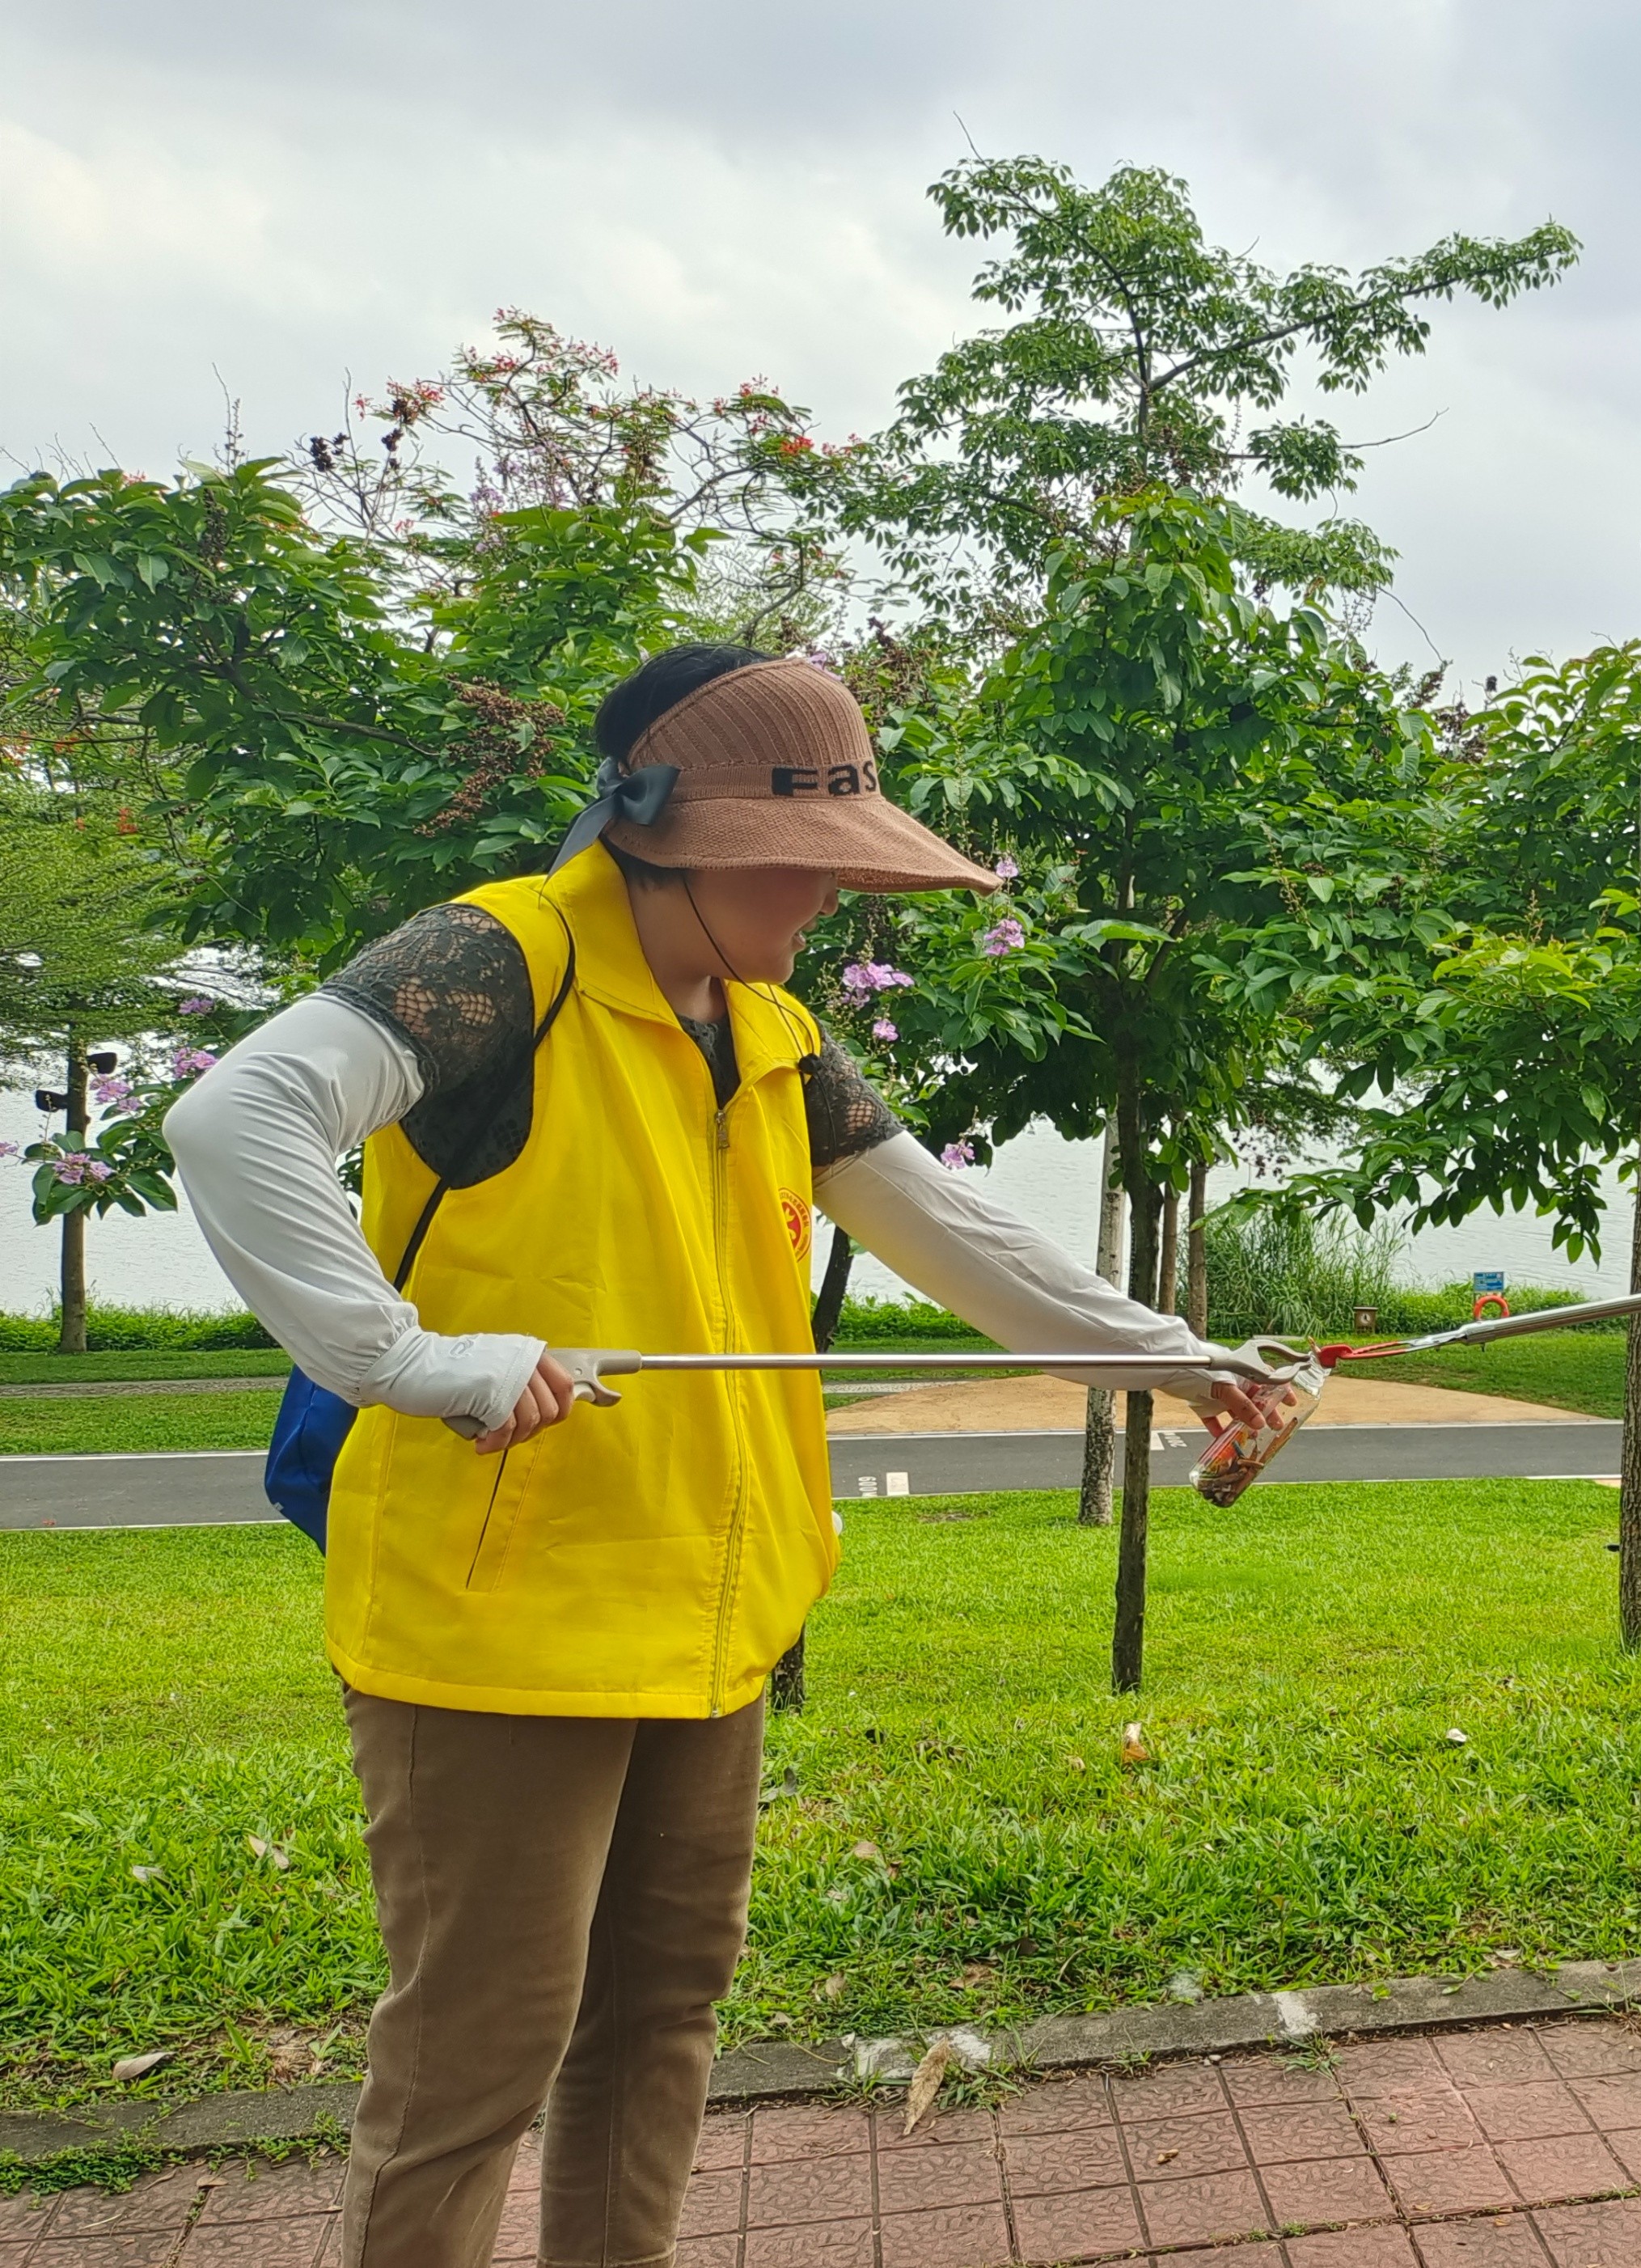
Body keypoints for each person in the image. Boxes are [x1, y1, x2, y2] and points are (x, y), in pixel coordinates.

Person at [167, 643, 1265, 2268]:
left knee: (660, 2013)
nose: (827, 887)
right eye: (796, 850)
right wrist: (410, 1359)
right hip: (502, 1625)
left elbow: (949, 1229)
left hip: (713, 1611)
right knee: (478, 2061)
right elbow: (232, 1122)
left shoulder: (764, 1025)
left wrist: (1179, 1364)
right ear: (660, 825)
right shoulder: (498, 955)